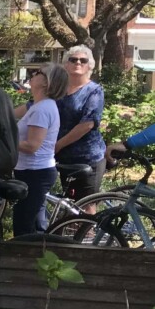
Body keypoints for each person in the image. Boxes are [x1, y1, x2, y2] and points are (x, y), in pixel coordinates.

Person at [11, 63, 67, 236]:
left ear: (46, 82)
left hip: (35, 173)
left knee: (23, 228)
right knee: (32, 225)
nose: (33, 74)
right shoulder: (38, 106)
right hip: (31, 171)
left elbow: (32, 146)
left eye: (39, 72)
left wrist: (5, 140)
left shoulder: (42, 109)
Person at [55, 45, 106, 199]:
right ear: (66, 64)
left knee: (86, 206)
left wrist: (57, 145)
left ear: (89, 65)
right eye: (73, 59)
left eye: (83, 60)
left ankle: (91, 224)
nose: (78, 63)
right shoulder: (58, 90)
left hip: (88, 158)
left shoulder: (94, 91)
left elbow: (87, 124)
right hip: (64, 158)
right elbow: (36, 106)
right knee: (70, 205)